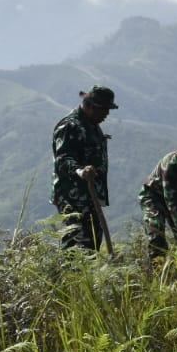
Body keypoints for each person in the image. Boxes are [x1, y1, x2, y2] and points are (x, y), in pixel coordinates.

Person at [52, 85, 117, 250]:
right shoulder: (70, 126)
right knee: (77, 243)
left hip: (90, 196)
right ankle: (69, 268)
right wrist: (80, 171)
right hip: (73, 197)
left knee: (93, 240)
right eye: (104, 109)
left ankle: (86, 267)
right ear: (90, 106)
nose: (107, 114)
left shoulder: (91, 124)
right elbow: (63, 159)